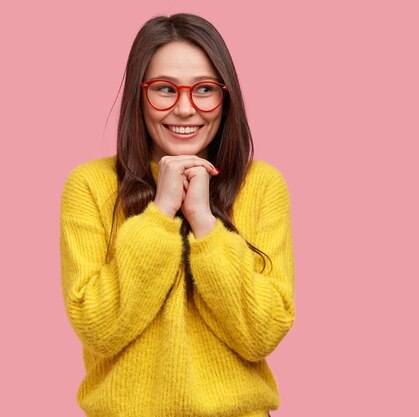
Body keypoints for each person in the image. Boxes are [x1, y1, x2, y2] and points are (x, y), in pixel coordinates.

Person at [60, 13, 295, 417]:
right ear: (140, 94)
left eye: (204, 89)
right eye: (165, 89)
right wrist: (160, 213)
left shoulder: (261, 185)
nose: (185, 109)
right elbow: (98, 327)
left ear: (226, 96)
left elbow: (262, 333)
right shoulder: (90, 186)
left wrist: (203, 220)